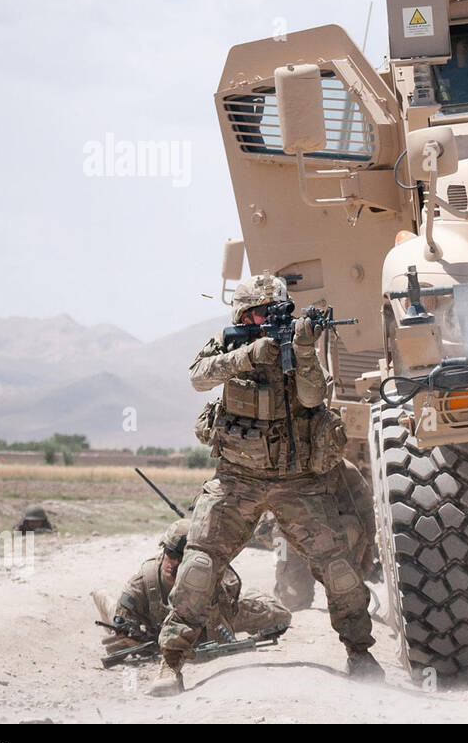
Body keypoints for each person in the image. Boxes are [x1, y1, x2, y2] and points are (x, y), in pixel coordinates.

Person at [150, 273, 379, 696]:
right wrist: (248, 356)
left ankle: (360, 652)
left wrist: (305, 349)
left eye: (274, 313)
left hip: (299, 482)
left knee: (338, 568)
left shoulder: (298, 344)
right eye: (258, 314)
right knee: (200, 565)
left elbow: (314, 398)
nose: (267, 321)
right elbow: (198, 377)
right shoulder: (230, 343)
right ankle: (171, 663)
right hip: (238, 479)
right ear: (243, 316)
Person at [92, 518, 290, 658]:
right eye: (170, 553)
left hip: (222, 617)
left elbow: (222, 627)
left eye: (182, 558)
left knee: (281, 616)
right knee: (115, 628)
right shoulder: (144, 581)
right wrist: (129, 638)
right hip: (151, 626)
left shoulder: (210, 578)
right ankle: (102, 597)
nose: (174, 562)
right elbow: (123, 625)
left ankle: (253, 594)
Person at [273, 458, 376, 611]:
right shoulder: (285, 466)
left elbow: (366, 516)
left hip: (335, 536)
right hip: (296, 533)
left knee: (347, 600)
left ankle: (348, 597)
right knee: (292, 600)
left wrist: (367, 555)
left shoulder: (346, 470)